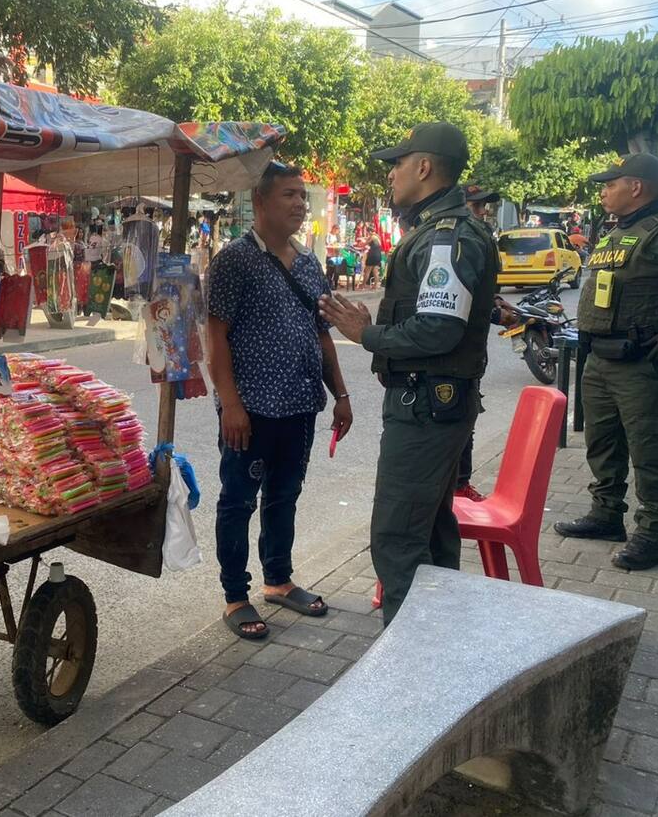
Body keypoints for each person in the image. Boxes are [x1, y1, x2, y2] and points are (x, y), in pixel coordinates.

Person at [320, 122, 498, 624]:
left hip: (427, 410)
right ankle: (436, 648)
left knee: (398, 541)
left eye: (398, 163)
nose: (392, 174)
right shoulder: (434, 232)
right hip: (429, 406)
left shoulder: (447, 237)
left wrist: (367, 335)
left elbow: (438, 330)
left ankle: (409, 671)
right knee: (431, 532)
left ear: (424, 167)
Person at [207, 161, 353, 640]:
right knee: (238, 502)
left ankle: (278, 580)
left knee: (285, 496)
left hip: (300, 405)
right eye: (289, 194)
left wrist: (342, 395)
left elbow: (323, 335)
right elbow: (217, 337)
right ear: (262, 202)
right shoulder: (233, 261)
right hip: (250, 410)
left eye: (301, 196)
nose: (298, 203)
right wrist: (230, 403)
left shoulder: (309, 263)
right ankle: (235, 596)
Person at [553, 153, 658, 570]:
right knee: (603, 443)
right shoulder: (618, 231)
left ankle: (653, 534)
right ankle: (606, 514)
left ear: (636, 187)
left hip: (646, 364)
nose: (603, 190)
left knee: (652, 451)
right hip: (600, 360)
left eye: (611, 183)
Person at [453, 184, 504, 502]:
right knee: (458, 420)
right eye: (476, 206)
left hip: (472, 354)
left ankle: (460, 484)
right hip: (453, 352)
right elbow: (463, 297)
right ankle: (455, 486)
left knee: (467, 419)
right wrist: (497, 315)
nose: (482, 211)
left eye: (484, 206)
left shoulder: (481, 238)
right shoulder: (459, 239)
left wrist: (497, 304)